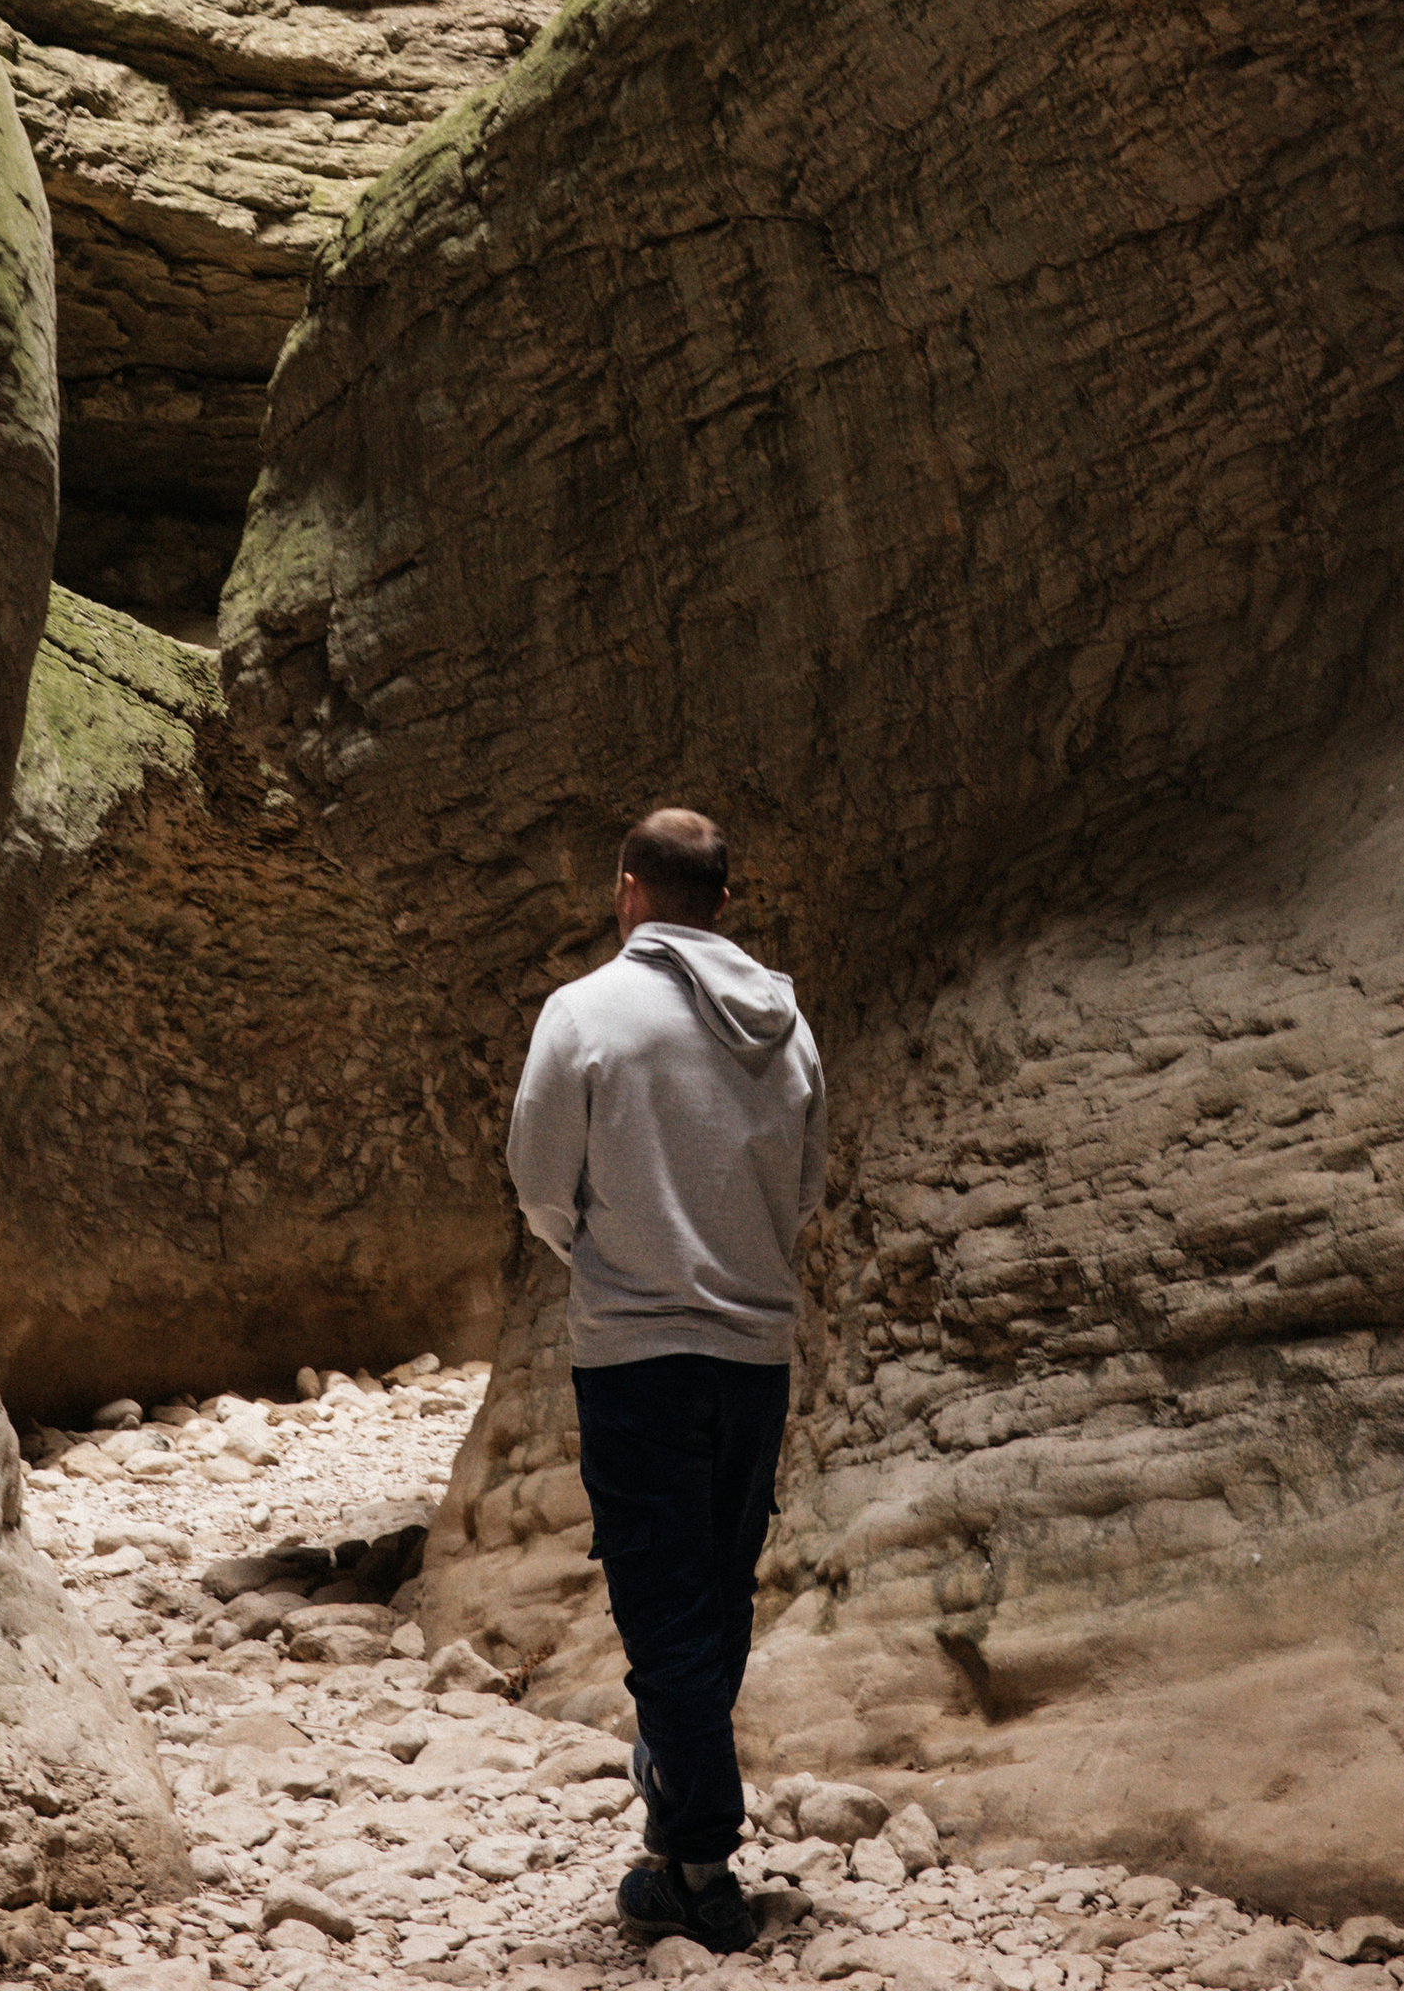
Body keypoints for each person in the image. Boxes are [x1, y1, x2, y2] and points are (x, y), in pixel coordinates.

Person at [505, 805, 827, 1957]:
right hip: (752, 1356)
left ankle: (697, 1857)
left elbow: (539, 1182)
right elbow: (801, 1192)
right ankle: (676, 1824)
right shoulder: (788, 1029)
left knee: (660, 1607)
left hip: (634, 1354)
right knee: (718, 1594)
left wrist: (611, 1259)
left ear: (626, 888)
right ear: (724, 905)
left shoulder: (583, 1013)